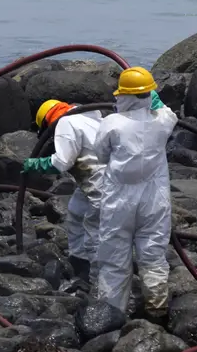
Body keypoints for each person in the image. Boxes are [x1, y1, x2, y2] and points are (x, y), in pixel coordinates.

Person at [92, 67, 177, 316]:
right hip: (155, 196)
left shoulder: (112, 123)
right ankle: (157, 309)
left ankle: (111, 313)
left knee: (114, 256)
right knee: (153, 252)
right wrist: (156, 100)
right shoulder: (163, 120)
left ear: (125, 95)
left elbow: (100, 154)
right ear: (149, 94)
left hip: (119, 198)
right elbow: (168, 112)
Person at [22, 99, 106, 281]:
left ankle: (98, 282)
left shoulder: (66, 122)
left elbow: (61, 162)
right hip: (97, 182)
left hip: (100, 187)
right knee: (76, 211)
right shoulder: (90, 117)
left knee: (95, 234)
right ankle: (79, 259)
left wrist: (38, 164)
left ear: (46, 122)